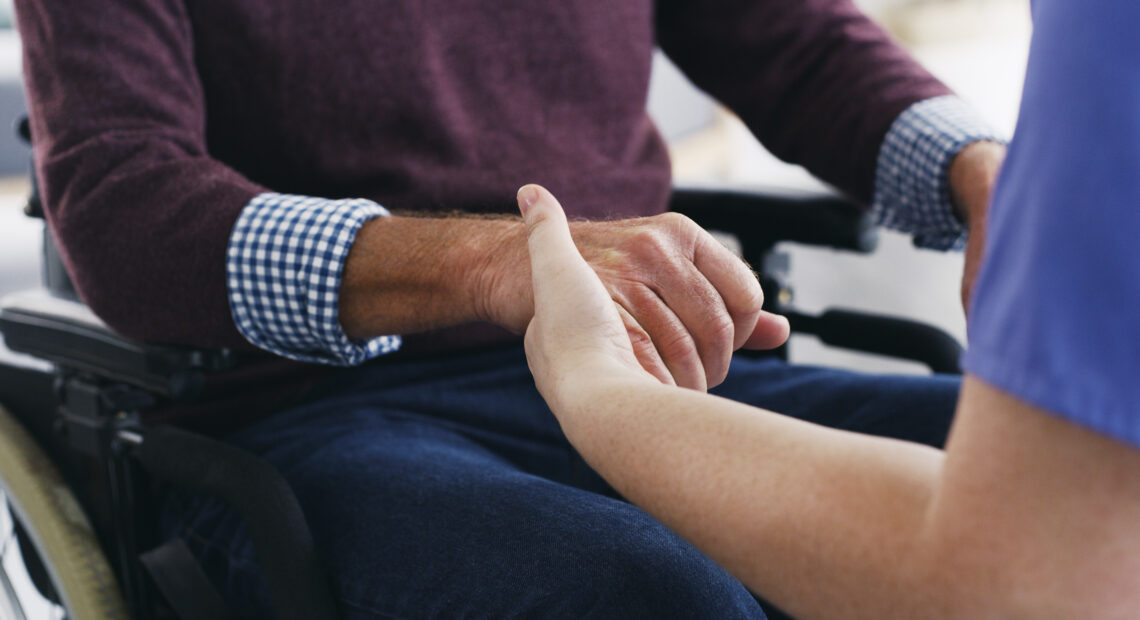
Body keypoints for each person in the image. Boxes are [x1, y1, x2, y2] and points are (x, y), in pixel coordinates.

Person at [14, 0, 1005, 617]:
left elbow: (798, 49)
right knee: (647, 595)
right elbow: (123, 201)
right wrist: (496, 259)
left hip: (650, 365)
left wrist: (990, 175)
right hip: (320, 411)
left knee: (1053, 479)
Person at [519, 0, 1140, 617]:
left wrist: (593, 386)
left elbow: (1017, 572)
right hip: (436, 374)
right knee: (668, 595)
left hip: (613, 355)